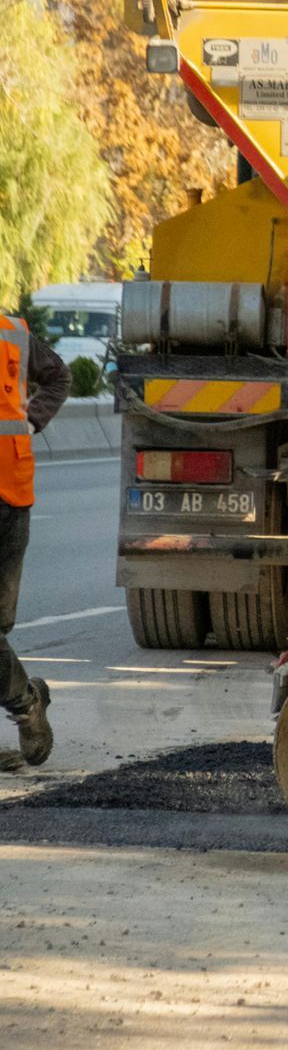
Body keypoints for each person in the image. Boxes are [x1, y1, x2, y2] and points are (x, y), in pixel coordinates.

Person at [2, 311, 71, 772]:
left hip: (9, 495)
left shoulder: (12, 332)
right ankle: (27, 706)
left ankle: (26, 703)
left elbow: (58, 378)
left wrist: (30, 422)